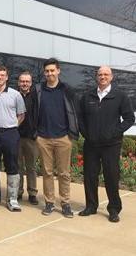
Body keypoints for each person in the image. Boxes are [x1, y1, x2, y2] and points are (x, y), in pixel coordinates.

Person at [78, 66, 134, 223]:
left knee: (111, 176)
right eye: (100, 74)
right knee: (89, 176)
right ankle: (91, 206)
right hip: (91, 144)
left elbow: (129, 118)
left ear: (111, 77)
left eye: (106, 74)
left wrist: (115, 132)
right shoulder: (88, 95)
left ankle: (114, 209)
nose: (102, 77)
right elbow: (80, 117)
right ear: (96, 77)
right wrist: (85, 133)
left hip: (111, 145)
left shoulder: (120, 96)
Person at [35, 58, 79, 218]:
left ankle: (66, 203)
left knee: (64, 173)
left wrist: (71, 133)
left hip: (63, 138)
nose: (49, 73)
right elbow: (33, 112)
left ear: (58, 71)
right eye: (47, 71)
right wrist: (36, 134)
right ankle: (49, 202)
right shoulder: (39, 90)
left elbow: (75, 111)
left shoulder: (67, 89)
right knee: (47, 172)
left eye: (52, 70)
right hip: (43, 138)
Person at [0, 65, 26, 211]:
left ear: (7, 77)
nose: (0, 77)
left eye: (3, 75)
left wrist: (13, 125)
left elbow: (21, 115)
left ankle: (12, 199)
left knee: (12, 166)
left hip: (10, 133)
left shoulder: (15, 95)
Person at [17, 71, 39, 205]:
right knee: (18, 166)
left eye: (27, 81)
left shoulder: (36, 97)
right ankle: (18, 192)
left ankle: (32, 193)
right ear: (19, 82)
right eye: (22, 81)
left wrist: (37, 133)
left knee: (31, 167)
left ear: (31, 83)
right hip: (17, 137)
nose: (24, 84)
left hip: (32, 138)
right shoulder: (14, 96)